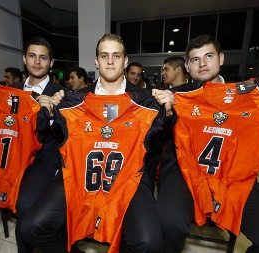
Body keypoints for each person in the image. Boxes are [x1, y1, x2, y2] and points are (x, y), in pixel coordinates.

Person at [19, 33, 170, 253]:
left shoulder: (146, 99)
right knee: (31, 227)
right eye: (104, 56)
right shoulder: (75, 98)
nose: (110, 61)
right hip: (81, 174)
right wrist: (53, 111)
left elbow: (159, 138)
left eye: (116, 56)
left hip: (129, 177)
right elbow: (60, 137)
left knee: (150, 242)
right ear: (96, 61)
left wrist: (168, 111)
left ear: (125, 61)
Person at [156, 34, 259, 253]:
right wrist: (164, 111)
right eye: (195, 59)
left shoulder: (253, 94)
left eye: (209, 56)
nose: (202, 63)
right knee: (168, 223)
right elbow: (154, 136)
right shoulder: (176, 97)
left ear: (221, 59)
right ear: (187, 66)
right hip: (184, 173)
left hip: (232, 175)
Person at [0, 36, 69, 253]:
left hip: (45, 156)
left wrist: (51, 114)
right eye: (32, 56)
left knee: (23, 204)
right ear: (24, 59)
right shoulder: (10, 89)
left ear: (51, 63)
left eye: (43, 57)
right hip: (13, 152)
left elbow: (66, 135)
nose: (37, 62)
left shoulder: (61, 94)